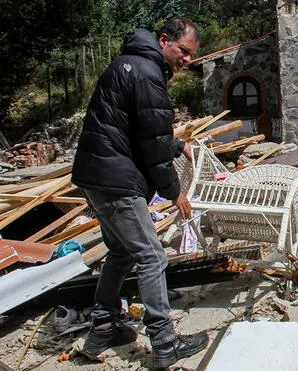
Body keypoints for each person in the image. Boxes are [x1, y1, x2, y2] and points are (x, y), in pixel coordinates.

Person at [71, 17, 208, 368]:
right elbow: (151, 144)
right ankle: (165, 344)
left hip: (95, 175)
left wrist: (177, 146)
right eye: (184, 51)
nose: (187, 59)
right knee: (152, 256)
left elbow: (136, 130)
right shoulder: (148, 73)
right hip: (116, 180)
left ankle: (104, 326)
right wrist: (174, 191)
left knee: (119, 252)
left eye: (191, 54)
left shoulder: (126, 65)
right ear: (164, 40)